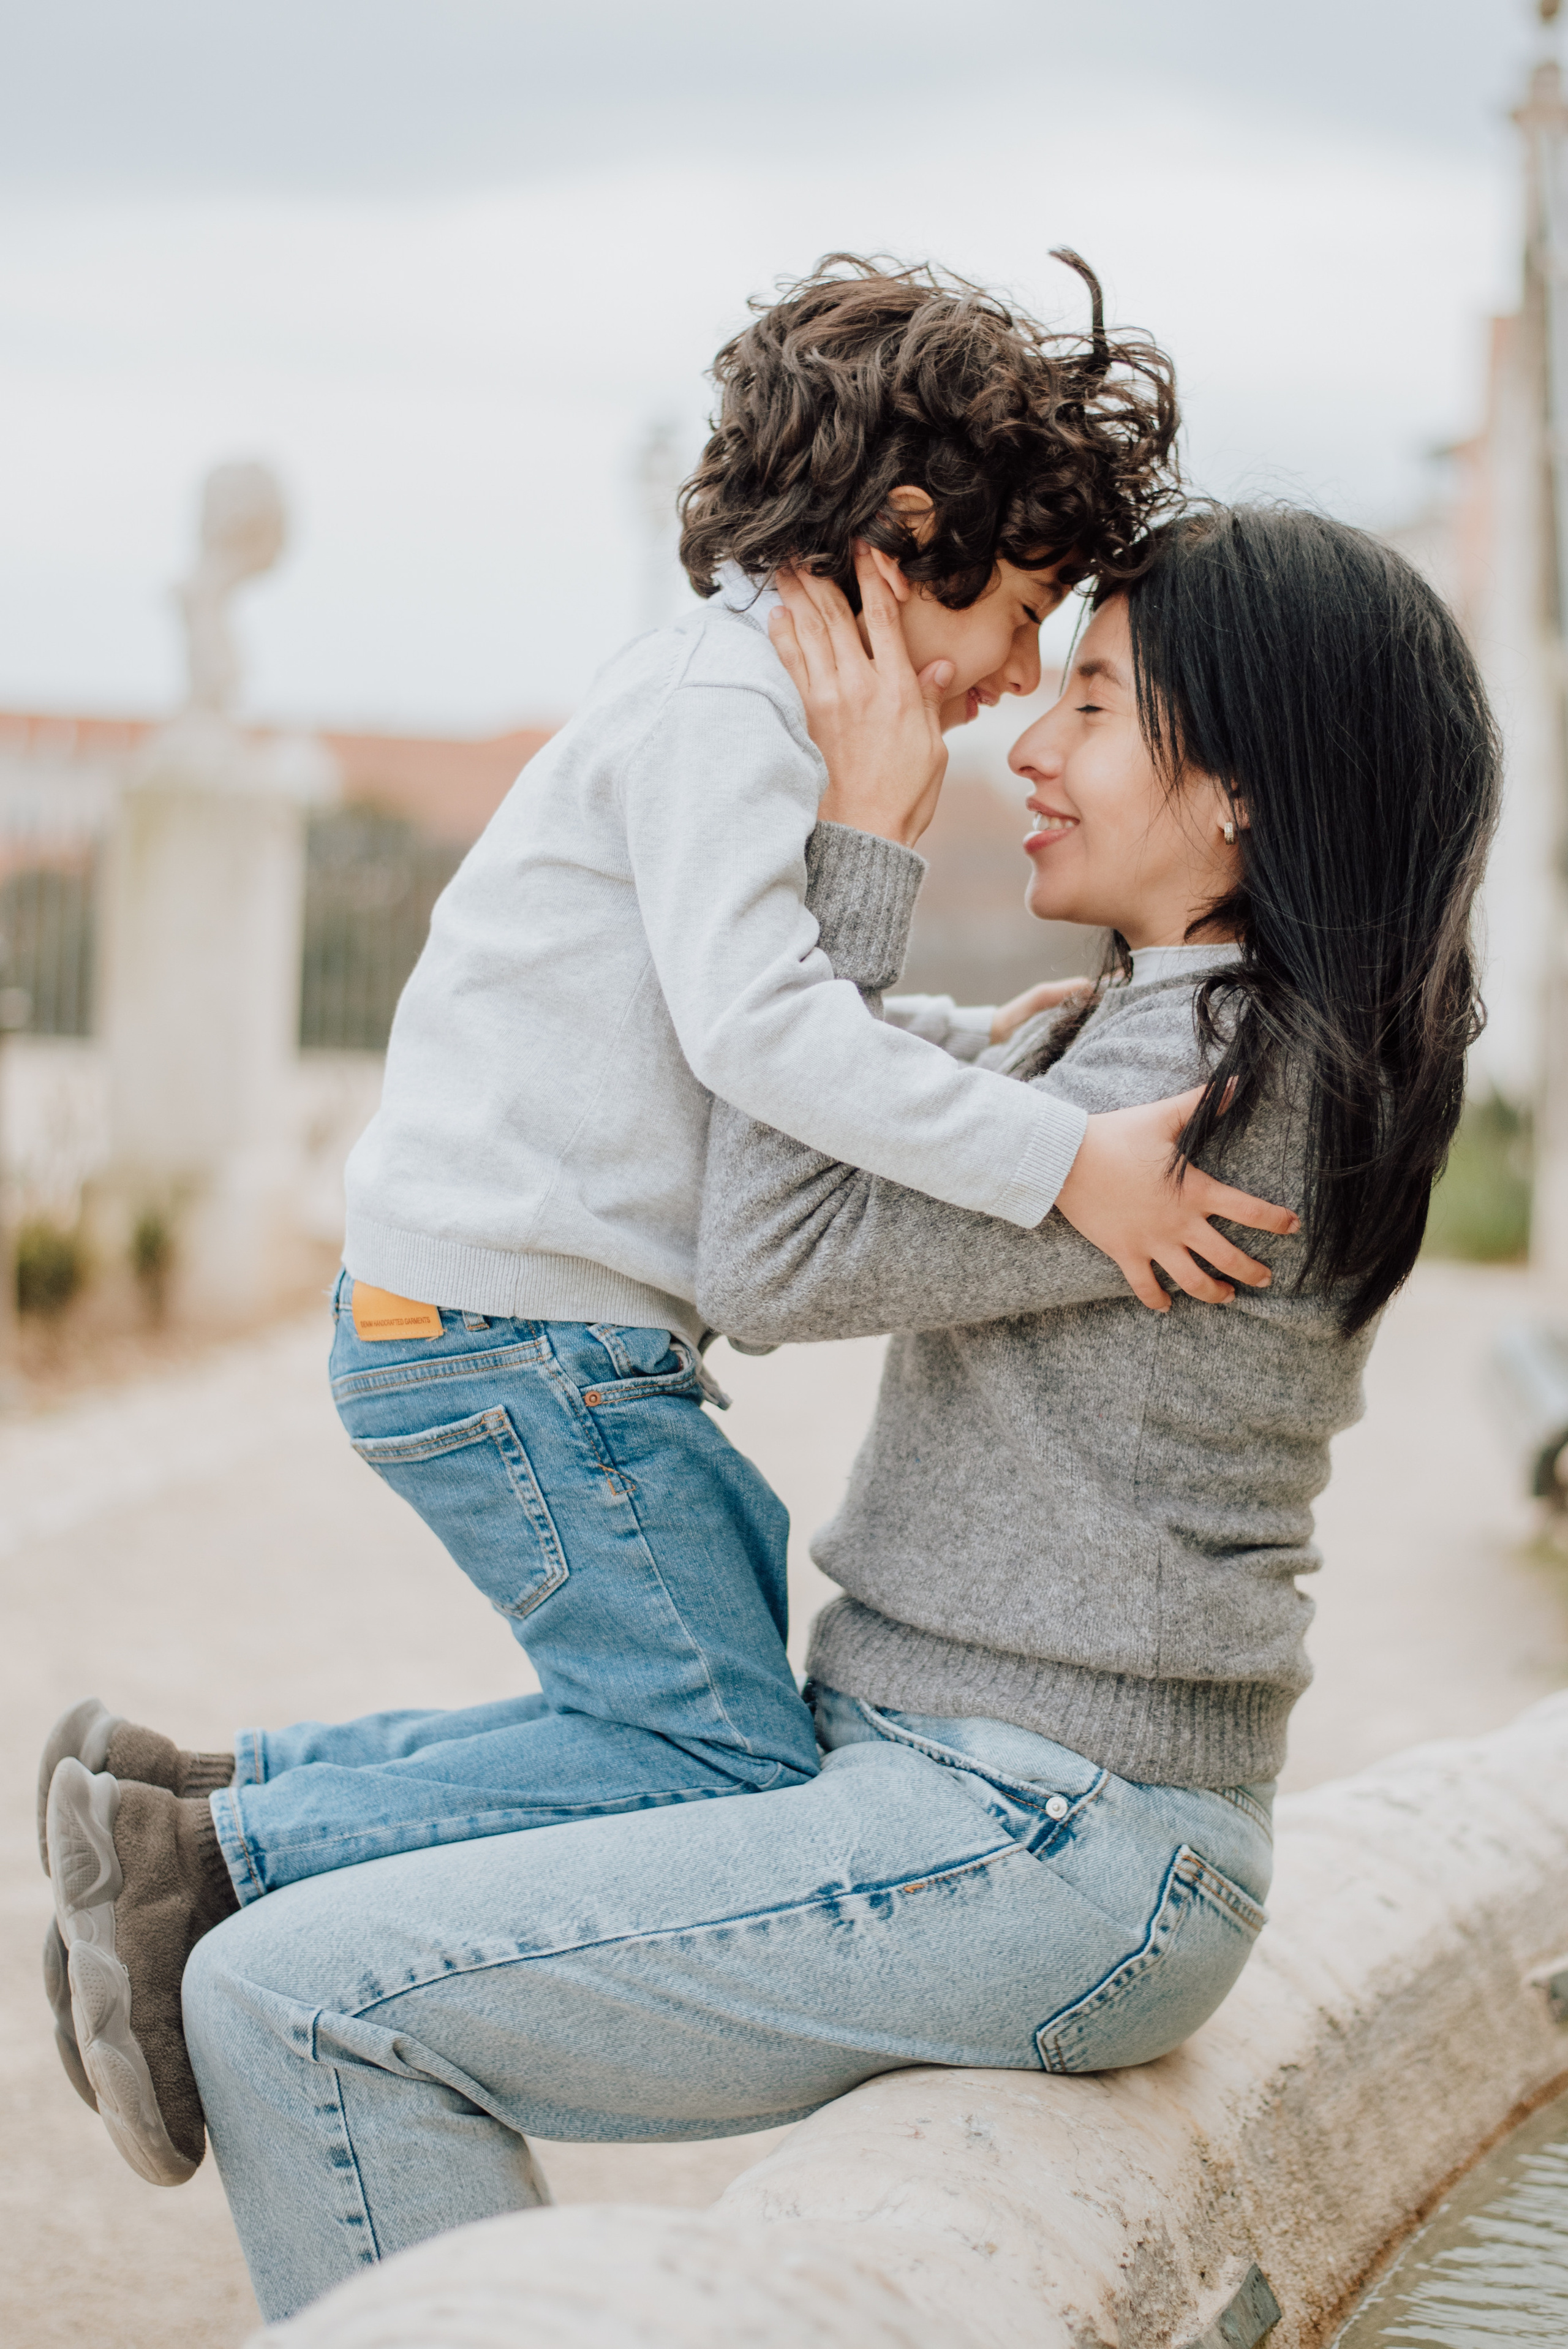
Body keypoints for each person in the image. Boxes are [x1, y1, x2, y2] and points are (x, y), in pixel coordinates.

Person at [39, 255, 1294, 2192]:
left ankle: (208, 1815)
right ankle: (220, 1865)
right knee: (720, 1760)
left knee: (670, 1720)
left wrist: (1000, 1040)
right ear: (904, 539)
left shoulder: (719, 692)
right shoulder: (734, 714)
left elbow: (784, 1023)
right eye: (1026, 614)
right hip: (524, 1336)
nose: (1020, 685)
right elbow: (767, 1031)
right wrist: (1062, 1156)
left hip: (512, 1325)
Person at [166, 502, 1498, 2323]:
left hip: (1054, 1833)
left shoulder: (1201, 1100)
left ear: (1245, 784)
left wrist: (854, 843)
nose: (1023, 741)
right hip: (996, 1800)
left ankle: (214, 1848)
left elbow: (772, 1251)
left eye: (1092, 702)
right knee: (311, 1961)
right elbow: (866, 1112)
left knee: (294, 2000)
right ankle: (216, 1828)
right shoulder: (1182, 1045)